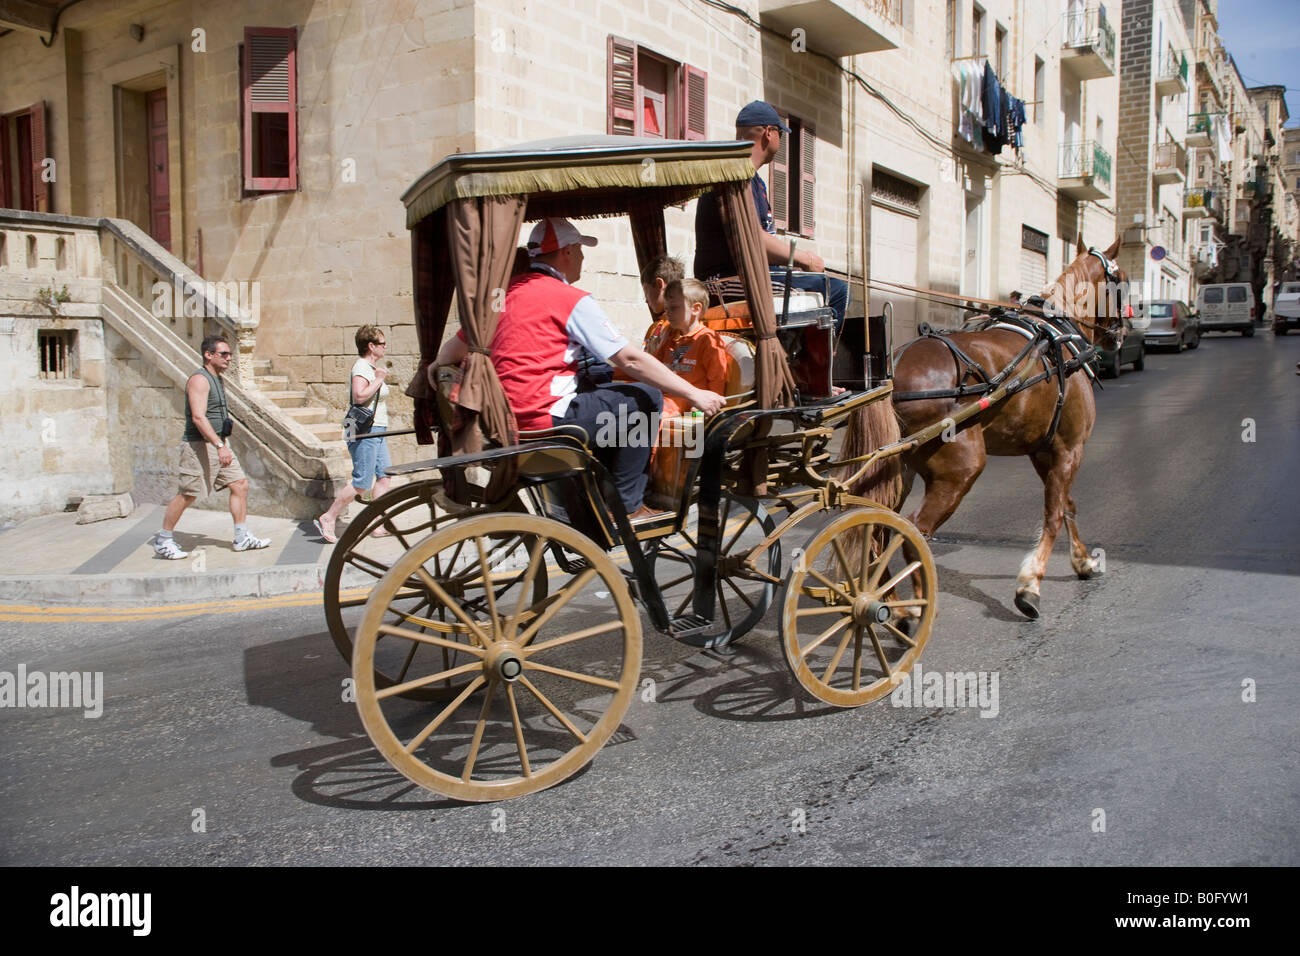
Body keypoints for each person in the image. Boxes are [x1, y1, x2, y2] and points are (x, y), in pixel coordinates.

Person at [435, 217, 724, 519]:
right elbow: (630, 359)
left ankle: (603, 481)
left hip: (503, 415)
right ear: (567, 252)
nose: (583, 259)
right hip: (542, 417)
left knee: (603, 382)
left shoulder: (501, 295)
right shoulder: (569, 298)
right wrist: (694, 394)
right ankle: (628, 505)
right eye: (580, 251)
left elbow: (450, 352)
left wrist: (436, 368)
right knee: (647, 398)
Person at [694, 100, 849, 330]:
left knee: (818, 286)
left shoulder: (755, 181)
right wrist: (804, 258)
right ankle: (814, 362)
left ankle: (798, 352)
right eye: (781, 134)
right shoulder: (733, 175)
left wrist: (793, 264)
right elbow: (753, 238)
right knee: (833, 289)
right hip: (724, 282)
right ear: (769, 133)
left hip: (752, 273)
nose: (780, 140)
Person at [152, 334, 270, 558]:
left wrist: (221, 443)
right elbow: (198, 417)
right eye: (223, 354)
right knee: (188, 494)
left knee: (239, 484)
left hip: (218, 443)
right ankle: (163, 540)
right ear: (208, 355)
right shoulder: (200, 379)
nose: (229, 358)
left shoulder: (217, 378)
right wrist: (219, 445)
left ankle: (241, 537)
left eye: (229, 355)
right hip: (200, 446)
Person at [314, 325, 393, 543]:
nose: (385, 347)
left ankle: (376, 522)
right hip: (364, 429)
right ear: (371, 346)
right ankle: (328, 517)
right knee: (362, 482)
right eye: (382, 343)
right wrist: (378, 379)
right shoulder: (362, 367)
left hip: (377, 428)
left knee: (384, 477)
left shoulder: (371, 367)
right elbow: (359, 396)